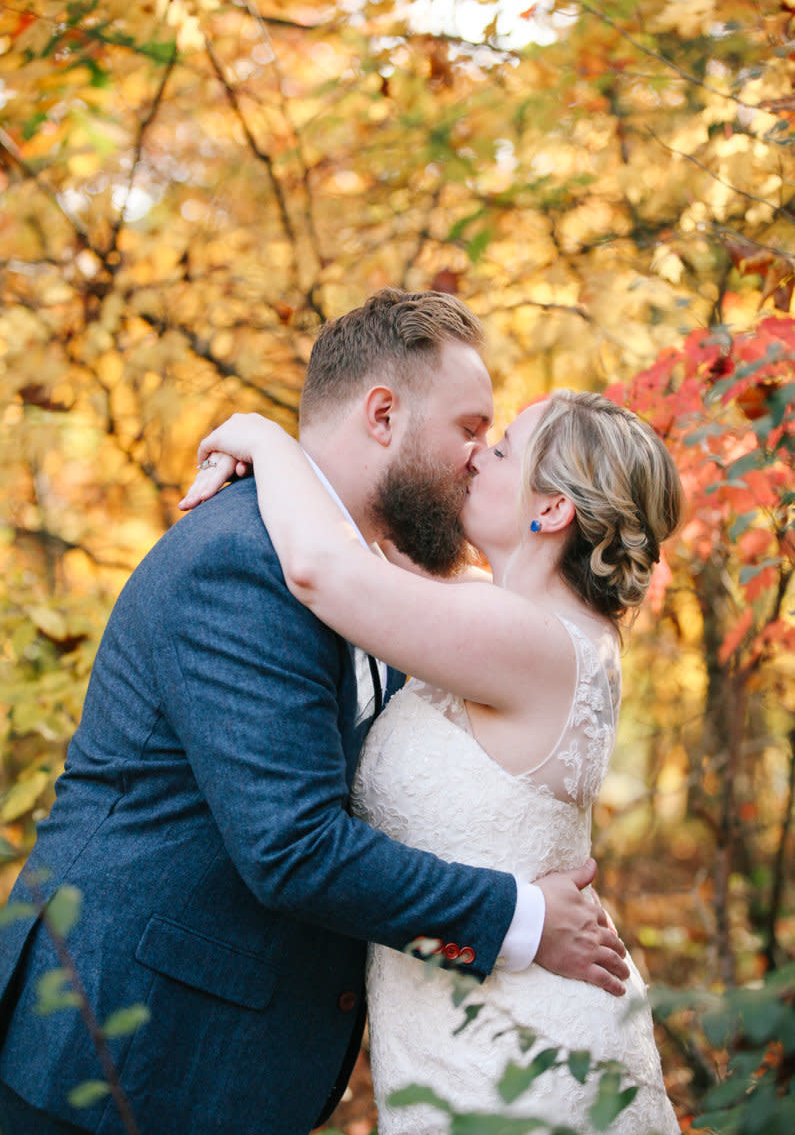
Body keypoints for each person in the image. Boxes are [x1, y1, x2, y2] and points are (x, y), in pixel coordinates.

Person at [0, 290, 627, 1135]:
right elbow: (291, 847)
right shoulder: (242, 560)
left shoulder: (376, 579)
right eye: (470, 429)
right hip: (121, 1046)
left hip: (221, 1057)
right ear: (382, 415)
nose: (478, 459)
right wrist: (519, 920)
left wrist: (259, 436)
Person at [180, 385, 684, 1134]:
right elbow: (375, 559)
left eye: (504, 447)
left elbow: (325, 571)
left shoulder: (521, 638)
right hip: (466, 1023)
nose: (479, 453)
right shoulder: (521, 619)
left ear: (550, 511)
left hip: (515, 1050)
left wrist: (264, 435)